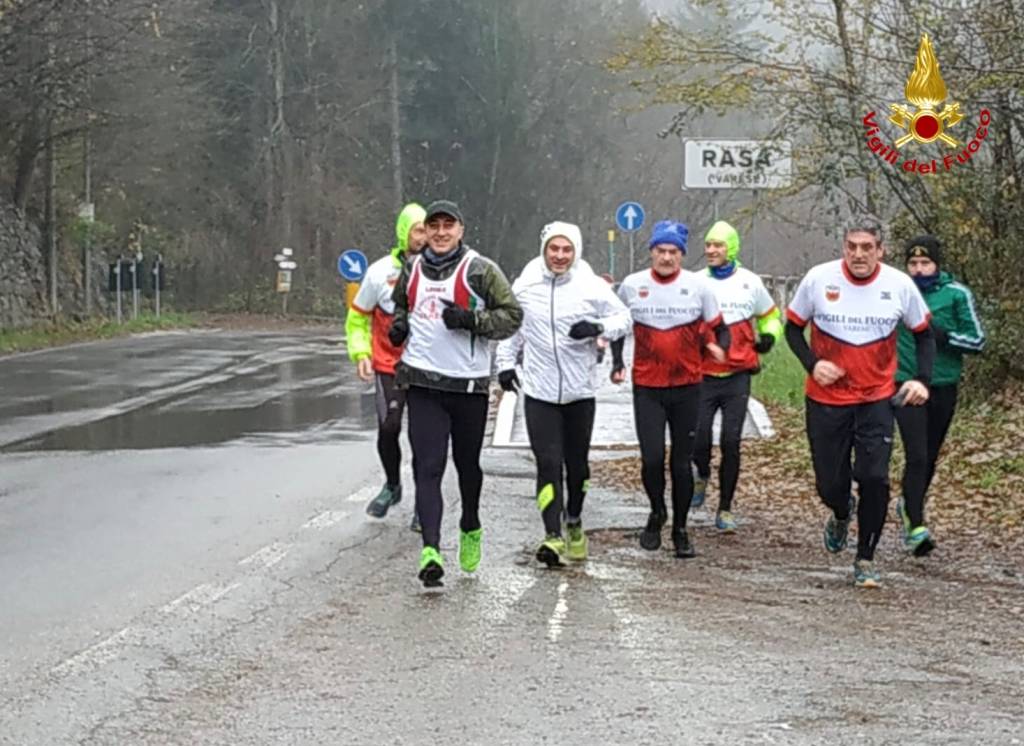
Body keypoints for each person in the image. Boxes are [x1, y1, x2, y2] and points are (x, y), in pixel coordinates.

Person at [785, 216, 935, 588]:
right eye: (852, 247)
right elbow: (792, 328)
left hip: (876, 398)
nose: (858, 254)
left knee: (874, 478)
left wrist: (922, 380)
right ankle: (840, 510)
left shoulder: (899, 285)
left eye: (867, 247)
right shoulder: (819, 279)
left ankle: (866, 558)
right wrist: (813, 363)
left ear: (880, 251)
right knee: (829, 483)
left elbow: (924, 336)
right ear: (843, 249)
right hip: (826, 399)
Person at [389, 200, 523, 587]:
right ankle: (431, 550)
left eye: (449, 226)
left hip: (468, 386)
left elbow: (513, 316)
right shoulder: (412, 267)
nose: (441, 232)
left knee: (467, 467)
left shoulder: (480, 270)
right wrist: (400, 328)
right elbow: (403, 305)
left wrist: (472, 321)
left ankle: (470, 524)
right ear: (425, 231)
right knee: (427, 467)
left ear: (461, 230)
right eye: (434, 226)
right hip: (424, 383)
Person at [494, 221, 630, 568]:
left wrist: (598, 328)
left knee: (578, 466)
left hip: (579, 392)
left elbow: (625, 318)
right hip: (539, 391)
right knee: (548, 463)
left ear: (576, 251)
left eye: (566, 250)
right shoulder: (525, 286)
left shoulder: (590, 286)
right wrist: (505, 366)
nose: (559, 256)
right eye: (554, 249)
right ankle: (552, 535)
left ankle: (574, 520)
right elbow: (512, 327)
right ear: (544, 250)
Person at [611, 220, 730, 558]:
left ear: (681, 255)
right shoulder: (632, 286)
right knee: (650, 460)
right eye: (660, 251)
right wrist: (617, 362)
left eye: (673, 252)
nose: (666, 257)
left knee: (681, 462)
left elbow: (721, 329)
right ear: (651, 253)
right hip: (647, 386)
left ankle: (680, 528)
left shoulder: (698, 287)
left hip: (688, 386)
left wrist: (719, 348)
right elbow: (619, 327)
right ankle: (656, 512)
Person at [895, 235, 985, 555]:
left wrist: (944, 337)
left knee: (929, 455)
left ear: (937, 264)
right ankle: (916, 524)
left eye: (925, 263)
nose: (919, 270)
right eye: (913, 264)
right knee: (916, 453)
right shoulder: (896, 292)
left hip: (943, 384)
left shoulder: (956, 295)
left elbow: (978, 341)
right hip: (904, 384)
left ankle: (910, 503)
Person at [690, 221, 783, 533]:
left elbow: (771, 316)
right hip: (703, 374)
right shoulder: (695, 282)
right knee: (699, 438)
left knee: (731, 441)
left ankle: (726, 508)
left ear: (731, 248)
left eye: (718, 245)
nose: (712, 250)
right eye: (708, 245)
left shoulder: (750, 282)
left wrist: (769, 337)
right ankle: (701, 474)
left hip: (738, 375)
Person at [345, 203, 427, 529]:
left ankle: (425, 501)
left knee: (424, 436)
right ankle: (392, 485)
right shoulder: (379, 272)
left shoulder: (441, 271)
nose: (425, 236)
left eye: (428, 229)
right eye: (418, 230)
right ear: (404, 232)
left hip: (427, 367)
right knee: (389, 426)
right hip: (388, 364)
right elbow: (357, 318)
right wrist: (360, 353)